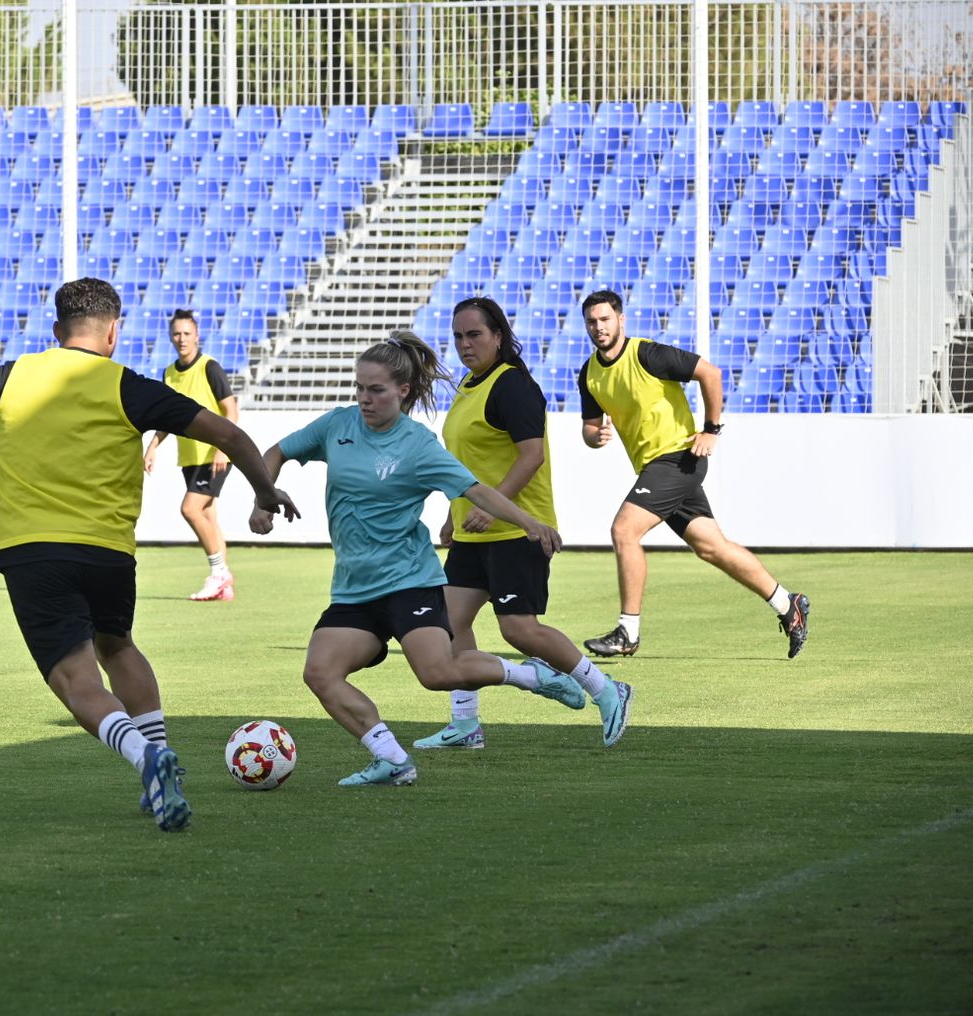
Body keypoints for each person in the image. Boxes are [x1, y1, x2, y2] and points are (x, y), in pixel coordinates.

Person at [0, 278, 298, 832]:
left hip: (33, 550)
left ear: (56, 331)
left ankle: (148, 760)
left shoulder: (8, 378)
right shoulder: (129, 386)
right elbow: (232, 435)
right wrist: (266, 493)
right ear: (114, 331)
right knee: (117, 645)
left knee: (76, 681)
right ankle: (161, 764)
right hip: (108, 552)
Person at [249, 330, 604, 789]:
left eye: (375, 390)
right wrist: (263, 497)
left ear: (404, 391)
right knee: (319, 672)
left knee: (437, 674)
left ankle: (527, 673)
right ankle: (391, 759)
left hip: (409, 582)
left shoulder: (419, 446)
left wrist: (529, 522)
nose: (364, 399)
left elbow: (476, 491)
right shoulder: (337, 427)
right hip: (354, 588)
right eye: (359, 388)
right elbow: (276, 452)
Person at [414, 297, 632, 752]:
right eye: (457, 336)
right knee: (451, 625)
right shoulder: (470, 386)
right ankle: (465, 723)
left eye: (474, 334)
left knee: (519, 629)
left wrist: (494, 509)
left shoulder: (512, 385)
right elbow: (465, 465)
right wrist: (451, 517)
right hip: (475, 532)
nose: (464, 344)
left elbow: (531, 455)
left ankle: (607, 689)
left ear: (498, 336)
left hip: (517, 529)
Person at [576, 288, 809, 658]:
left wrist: (711, 429)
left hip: (678, 458)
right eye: (592, 321)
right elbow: (590, 428)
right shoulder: (589, 373)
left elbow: (709, 373)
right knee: (712, 547)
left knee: (624, 530)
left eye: (605, 319)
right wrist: (595, 436)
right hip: (655, 467)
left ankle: (628, 632)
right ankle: (787, 603)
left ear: (621, 319)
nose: (598, 327)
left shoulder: (647, 353)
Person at [142, 309, 239, 601]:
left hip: (215, 455)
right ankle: (225, 585)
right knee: (208, 516)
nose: (181, 339)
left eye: (186, 333)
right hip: (190, 457)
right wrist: (153, 445)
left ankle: (218, 573)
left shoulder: (210, 367)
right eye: (176, 334)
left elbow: (231, 411)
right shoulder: (169, 373)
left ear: (196, 335)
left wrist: (222, 448)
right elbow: (168, 417)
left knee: (190, 509)